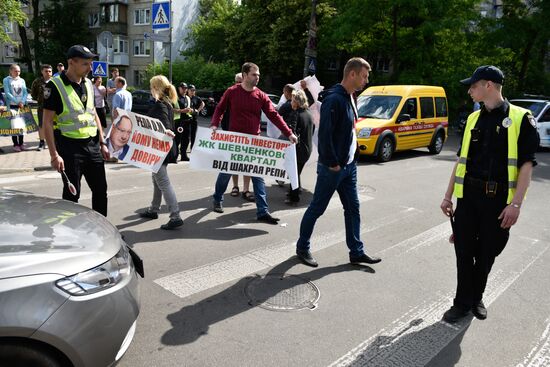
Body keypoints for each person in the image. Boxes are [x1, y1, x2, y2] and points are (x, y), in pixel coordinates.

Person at [440, 65, 539, 323]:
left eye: (473, 86)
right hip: (469, 197)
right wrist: (448, 195)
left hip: (498, 201)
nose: (470, 91)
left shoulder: (521, 118)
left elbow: (526, 165)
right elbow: (460, 160)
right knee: (463, 250)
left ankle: (477, 297)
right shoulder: (473, 118)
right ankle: (462, 303)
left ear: (488, 85)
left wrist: (516, 205)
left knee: (486, 252)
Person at [295, 57, 381, 267]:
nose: (366, 80)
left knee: (353, 208)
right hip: (332, 168)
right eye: (364, 76)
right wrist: (333, 163)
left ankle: (356, 251)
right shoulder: (335, 99)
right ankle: (302, 247)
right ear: (352, 74)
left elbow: (349, 130)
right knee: (317, 208)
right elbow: (324, 135)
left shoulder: (350, 97)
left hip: (348, 167)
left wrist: (351, 158)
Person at [210, 62, 298, 224]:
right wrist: (215, 124)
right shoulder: (232, 91)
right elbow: (219, 108)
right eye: (254, 74)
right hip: (235, 142)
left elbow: (274, 115)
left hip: (253, 143)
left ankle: (263, 211)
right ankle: (217, 199)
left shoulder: (261, 95)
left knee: (258, 177)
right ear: (244, 75)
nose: (257, 77)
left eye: (258, 75)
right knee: (226, 172)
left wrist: (289, 133)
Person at [42, 45, 110, 216]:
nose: (90, 68)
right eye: (85, 64)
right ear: (71, 63)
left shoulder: (88, 83)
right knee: (72, 194)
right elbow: (47, 123)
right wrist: (54, 155)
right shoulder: (54, 86)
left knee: (101, 190)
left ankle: (103, 233)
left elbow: (92, 113)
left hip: (93, 145)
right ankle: (68, 235)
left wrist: (102, 143)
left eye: (91, 64)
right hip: (70, 148)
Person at [139, 75, 183, 230]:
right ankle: (153, 209)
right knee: (156, 179)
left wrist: (167, 131)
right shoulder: (167, 103)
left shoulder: (160, 105)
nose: (150, 90)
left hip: (160, 149)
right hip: (163, 148)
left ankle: (175, 216)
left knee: (163, 182)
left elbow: (163, 123)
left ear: (156, 88)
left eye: (151, 87)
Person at [223, 72, 254, 202]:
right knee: (233, 162)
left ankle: (246, 189)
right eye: (238, 81)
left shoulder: (251, 94)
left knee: (247, 162)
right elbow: (221, 110)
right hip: (233, 135)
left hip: (248, 136)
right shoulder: (230, 93)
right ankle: (235, 186)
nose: (240, 84)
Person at [286, 89, 314, 204]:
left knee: (294, 173)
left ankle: (294, 198)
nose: (291, 102)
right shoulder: (309, 113)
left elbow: (292, 133)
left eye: (292, 100)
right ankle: (293, 192)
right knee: (296, 172)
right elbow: (311, 132)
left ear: (297, 102)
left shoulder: (296, 114)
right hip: (307, 148)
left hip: (298, 149)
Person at [3, 64, 29, 151]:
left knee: (21, 125)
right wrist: (18, 102)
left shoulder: (22, 80)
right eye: (15, 71)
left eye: (19, 71)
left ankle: (21, 143)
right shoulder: (6, 80)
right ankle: (15, 144)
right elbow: (7, 93)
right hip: (12, 106)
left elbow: (25, 92)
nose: (17, 73)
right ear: (10, 71)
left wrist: (22, 101)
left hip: (22, 105)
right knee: (14, 126)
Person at [31, 64, 53, 150]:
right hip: (42, 107)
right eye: (46, 71)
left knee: (54, 125)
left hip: (53, 108)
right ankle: (41, 142)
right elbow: (33, 94)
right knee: (41, 125)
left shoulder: (55, 81)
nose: (48, 73)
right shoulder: (37, 82)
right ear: (42, 72)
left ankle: (52, 142)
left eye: (50, 71)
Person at [184, 84, 204, 153]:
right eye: (191, 90)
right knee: (186, 136)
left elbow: (202, 103)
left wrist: (198, 110)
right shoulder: (185, 98)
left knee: (193, 134)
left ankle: (193, 149)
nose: (193, 91)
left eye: (194, 90)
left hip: (194, 119)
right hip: (186, 119)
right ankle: (184, 149)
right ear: (188, 91)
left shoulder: (196, 98)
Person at [175, 82, 192, 161]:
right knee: (177, 139)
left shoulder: (188, 98)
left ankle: (184, 155)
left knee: (186, 140)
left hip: (187, 121)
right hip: (179, 121)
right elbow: (171, 109)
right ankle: (174, 156)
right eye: (183, 88)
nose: (185, 90)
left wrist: (191, 110)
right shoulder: (175, 98)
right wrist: (182, 110)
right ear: (179, 88)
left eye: (186, 88)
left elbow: (189, 108)